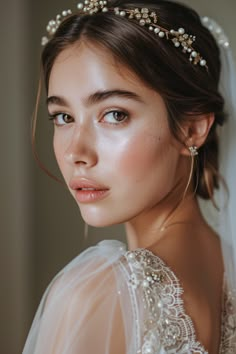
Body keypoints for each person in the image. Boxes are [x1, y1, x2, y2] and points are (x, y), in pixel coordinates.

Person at [23, 0, 236, 353]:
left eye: (115, 114)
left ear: (192, 128)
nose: (77, 153)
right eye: (63, 117)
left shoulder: (96, 293)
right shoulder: (227, 264)